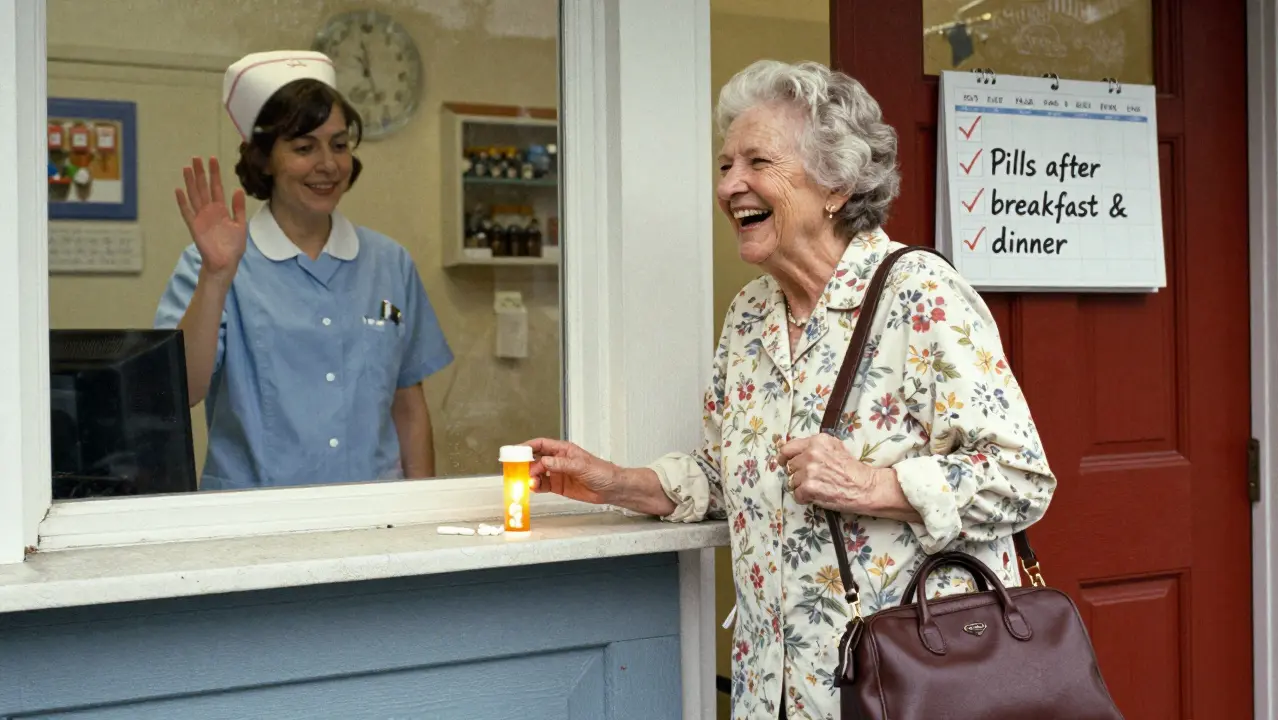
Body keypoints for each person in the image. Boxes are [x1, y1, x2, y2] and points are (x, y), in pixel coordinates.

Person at [522, 60, 1057, 720]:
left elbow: (1021, 477)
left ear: (835, 182)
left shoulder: (919, 295)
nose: (730, 185)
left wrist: (875, 485)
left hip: (912, 687)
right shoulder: (750, 316)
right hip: (774, 690)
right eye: (724, 165)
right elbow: (724, 479)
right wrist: (611, 482)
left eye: (757, 162)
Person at [154, 51, 453, 491]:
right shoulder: (211, 264)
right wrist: (217, 276)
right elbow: (181, 394)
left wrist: (422, 508)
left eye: (338, 144)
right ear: (263, 159)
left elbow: (408, 405)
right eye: (303, 147)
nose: (328, 164)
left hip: (375, 517)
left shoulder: (390, 263)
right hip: (257, 524)